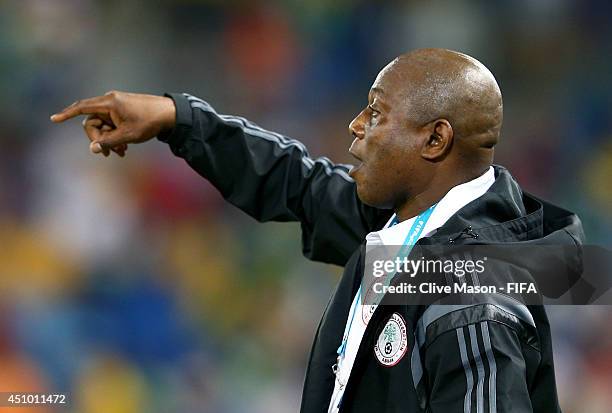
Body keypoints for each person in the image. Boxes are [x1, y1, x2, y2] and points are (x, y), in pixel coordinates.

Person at [51, 48, 583, 412]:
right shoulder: (414, 233)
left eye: (375, 113)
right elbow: (299, 184)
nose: (356, 126)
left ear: (434, 140)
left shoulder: (469, 295)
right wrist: (178, 120)